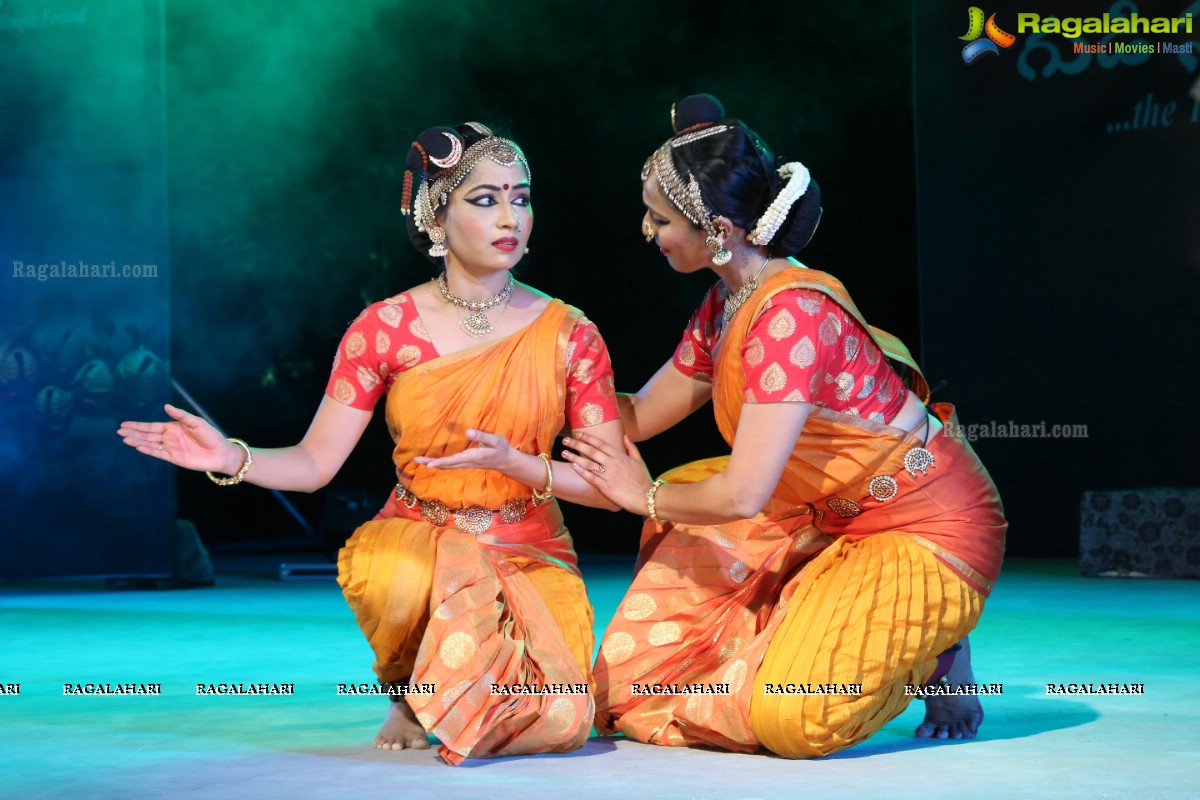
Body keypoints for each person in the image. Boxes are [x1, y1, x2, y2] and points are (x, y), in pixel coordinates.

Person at [118, 122, 625, 765]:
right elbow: (314, 463)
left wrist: (521, 464)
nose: (510, 217)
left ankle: (450, 685)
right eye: (485, 198)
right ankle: (413, 688)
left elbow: (613, 490)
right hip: (419, 543)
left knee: (560, 719)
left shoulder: (569, 334)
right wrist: (230, 458)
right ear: (436, 215)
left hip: (529, 547)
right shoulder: (385, 328)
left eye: (520, 197)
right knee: (417, 571)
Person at [563, 94, 1007, 758]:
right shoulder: (727, 303)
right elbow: (638, 417)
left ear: (717, 229)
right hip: (829, 517)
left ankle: (934, 654)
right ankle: (820, 613)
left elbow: (742, 497)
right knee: (631, 680)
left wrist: (640, 496)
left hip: (924, 527)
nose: (647, 232)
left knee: (790, 719)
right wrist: (551, 361)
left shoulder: (788, 317)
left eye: (659, 219)